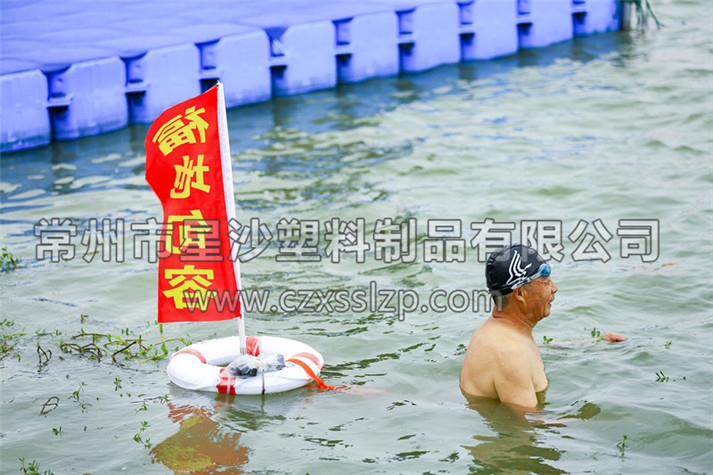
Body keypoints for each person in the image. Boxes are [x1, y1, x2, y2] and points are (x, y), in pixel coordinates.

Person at [460, 244, 625, 409]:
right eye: (546, 283)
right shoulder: (510, 353)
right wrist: (595, 421)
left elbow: (532, 350)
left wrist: (595, 342)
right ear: (520, 294)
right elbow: (528, 424)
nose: (555, 288)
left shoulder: (499, 330)